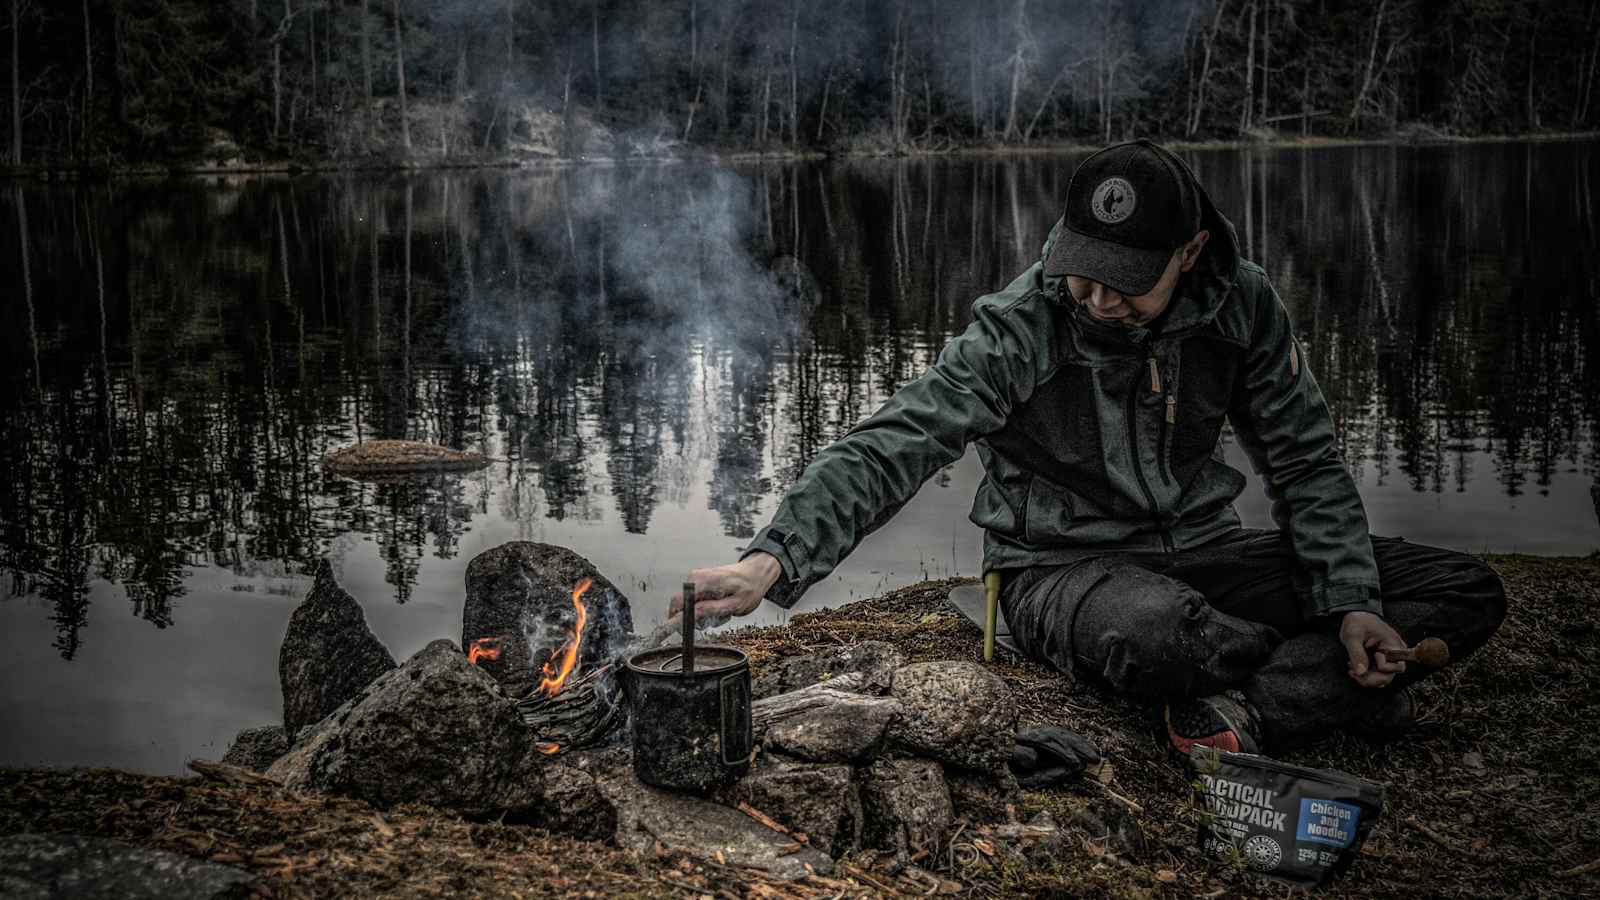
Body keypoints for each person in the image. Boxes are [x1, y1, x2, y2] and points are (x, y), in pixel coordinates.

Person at [671, 140, 1506, 754]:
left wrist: (1351, 596)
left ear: (1190, 253)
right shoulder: (1021, 325)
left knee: (1462, 591)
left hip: (1206, 552)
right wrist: (769, 560)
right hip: (1059, 572)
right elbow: (896, 440)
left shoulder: (1243, 306)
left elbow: (1306, 458)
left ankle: (1246, 709)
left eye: (1126, 280)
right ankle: (1323, 691)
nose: (1098, 298)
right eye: (1085, 271)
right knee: (1161, 631)